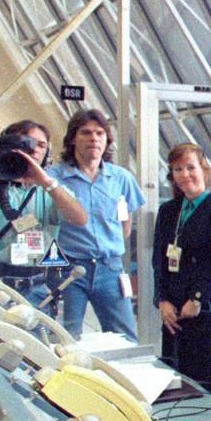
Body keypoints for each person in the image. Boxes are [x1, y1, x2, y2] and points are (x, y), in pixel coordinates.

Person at [151, 143, 211, 397]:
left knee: (207, 376)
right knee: (176, 375)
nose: (185, 174)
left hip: (205, 304)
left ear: (204, 170)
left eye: (191, 167)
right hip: (173, 306)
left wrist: (198, 298)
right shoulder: (168, 210)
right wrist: (162, 300)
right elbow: (159, 259)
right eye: (178, 169)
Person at [50, 110, 145, 340]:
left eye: (100, 133)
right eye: (86, 133)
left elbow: (126, 224)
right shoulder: (54, 176)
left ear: (107, 140)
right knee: (67, 337)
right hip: (70, 269)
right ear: (73, 138)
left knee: (125, 338)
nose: (94, 138)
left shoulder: (121, 178)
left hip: (110, 269)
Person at [0, 120, 87, 306]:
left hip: (36, 288)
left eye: (41, 145)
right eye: (26, 143)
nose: (34, 151)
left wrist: (46, 182)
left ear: (47, 152)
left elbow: (79, 219)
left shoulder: (52, 191)